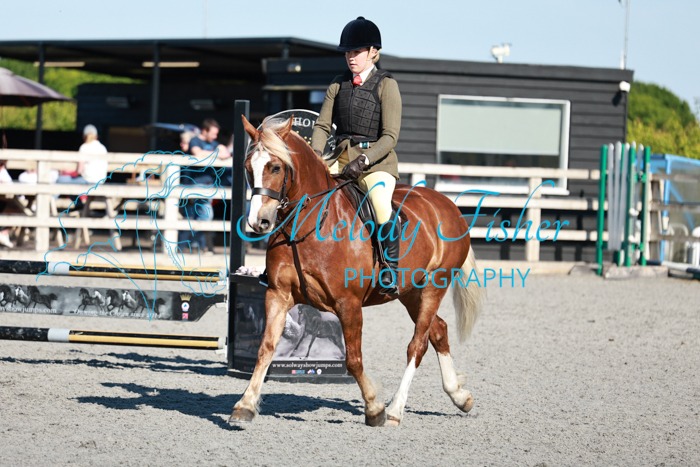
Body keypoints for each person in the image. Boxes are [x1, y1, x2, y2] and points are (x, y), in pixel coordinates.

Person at [310, 16, 402, 297]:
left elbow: (390, 137)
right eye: (348, 52)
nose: (351, 57)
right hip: (339, 157)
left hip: (376, 163)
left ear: (373, 51)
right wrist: (316, 156)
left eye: (357, 51)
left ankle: (389, 268)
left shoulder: (387, 85)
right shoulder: (338, 85)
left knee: (381, 206)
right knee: (305, 193)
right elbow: (322, 126)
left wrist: (363, 160)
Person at [179, 118, 231, 253]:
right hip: (194, 183)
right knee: (200, 215)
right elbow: (198, 153)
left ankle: (192, 246)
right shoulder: (195, 140)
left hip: (208, 184)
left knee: (199, 216)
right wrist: (217, 154)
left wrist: (219, 151)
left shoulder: (214, 143)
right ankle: (192, 246)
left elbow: (226, 153)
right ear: (205, 131)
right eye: (213, 133)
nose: (215, 137)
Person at [0, 160, 15, 247]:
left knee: (16, 208)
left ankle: (3, 233)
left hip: (5, 200)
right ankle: (3, 234)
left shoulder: (3, 172)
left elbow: (10, 186)